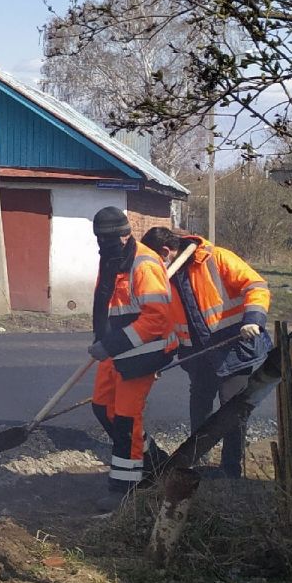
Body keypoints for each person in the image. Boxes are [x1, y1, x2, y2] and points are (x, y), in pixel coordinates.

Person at [141, 226, 273, 478]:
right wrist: (155, 360)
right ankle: (192, 467)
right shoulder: (165, 278)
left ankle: (231, 470)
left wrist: (253, 318)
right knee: (199, 408)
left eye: (154, 260)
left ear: (166, 252)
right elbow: (164, 323)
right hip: (198, 357)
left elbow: (256, 285)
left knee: (232, 409)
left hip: (234, 349)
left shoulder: (217, 258)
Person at [87, 207, 183, 507]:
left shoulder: (144, 265)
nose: (103, 244)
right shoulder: (111, 258)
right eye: (99, 239)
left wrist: (112, 344)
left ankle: (125, 492)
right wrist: (100, 338)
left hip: (144, 351)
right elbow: (107, 305)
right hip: (115, 349)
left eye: (108, 239)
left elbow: (156, 320)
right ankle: (154, 461)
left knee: (127, 419)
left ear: (126, 235)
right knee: (103, 408)